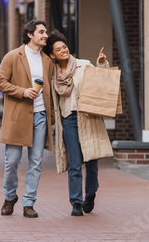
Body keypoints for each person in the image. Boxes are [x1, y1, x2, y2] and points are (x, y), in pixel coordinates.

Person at [46, 29, 113, 216]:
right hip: (68, 120)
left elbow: (101, 81)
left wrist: (102, 63)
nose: (63, 50)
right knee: (75, 162)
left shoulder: (83, 65)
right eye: (58, 49)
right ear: (52, 55)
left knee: (92, 159)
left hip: (88, 117)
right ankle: (76, 202)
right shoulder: (53, 75)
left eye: (64, 47)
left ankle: (90, 193)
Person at [0, 20, 55, 218]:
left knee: (36, 162)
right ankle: (9, 196)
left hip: (40, 117)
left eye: (45, 32)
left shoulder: (47, 61)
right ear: (30, 34)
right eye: (41, 32)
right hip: (17, 117)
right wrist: (22, 91)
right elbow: (0, 82)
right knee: (11, 161)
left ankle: (29, 202)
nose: (45, 35)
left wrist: (51, 118)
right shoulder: (13, 56)